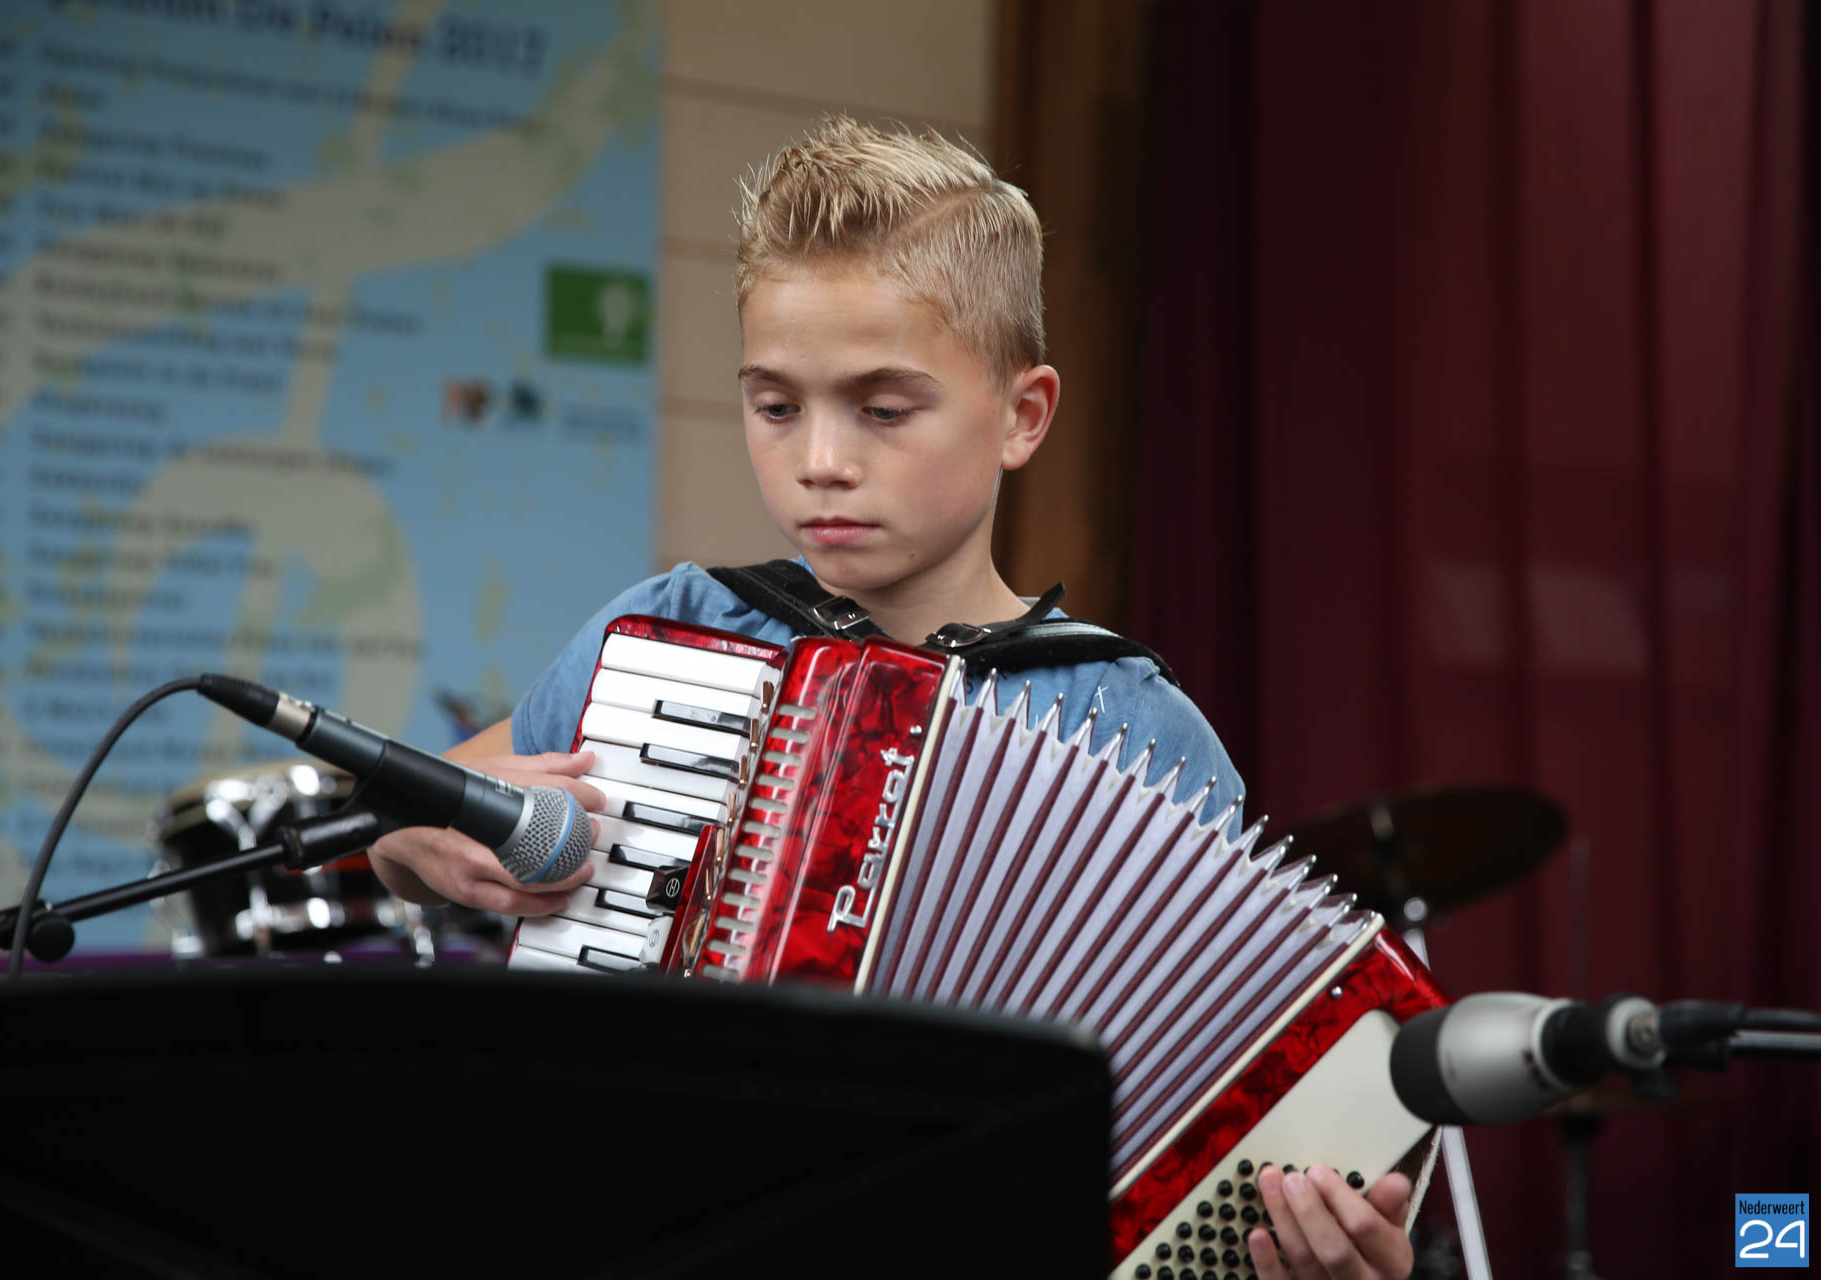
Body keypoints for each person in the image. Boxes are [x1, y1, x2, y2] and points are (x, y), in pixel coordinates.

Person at [369, 116, 1421, 1280]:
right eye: (777, 406)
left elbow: (1217, 1097)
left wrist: (1302, 1251)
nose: (820, 459)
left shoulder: (1138, 725)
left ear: (1022, 415)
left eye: (882, 408)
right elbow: (418, 812)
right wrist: (421, 841)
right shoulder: (672, 631)